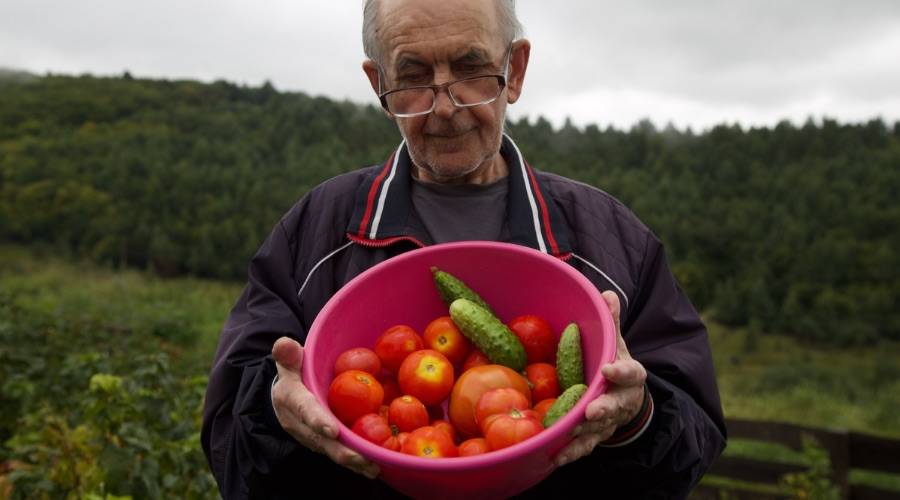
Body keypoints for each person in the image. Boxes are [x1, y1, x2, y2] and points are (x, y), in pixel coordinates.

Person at [201, 0, 727, 498]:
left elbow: (693, 441)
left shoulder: (612, 241)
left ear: (514, 71)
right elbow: (230, 446)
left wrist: (637, 418)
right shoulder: (315, 234)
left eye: (471, 68)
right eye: (412, 76)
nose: (445, 107)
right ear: (378, 85)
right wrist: (274, 409)